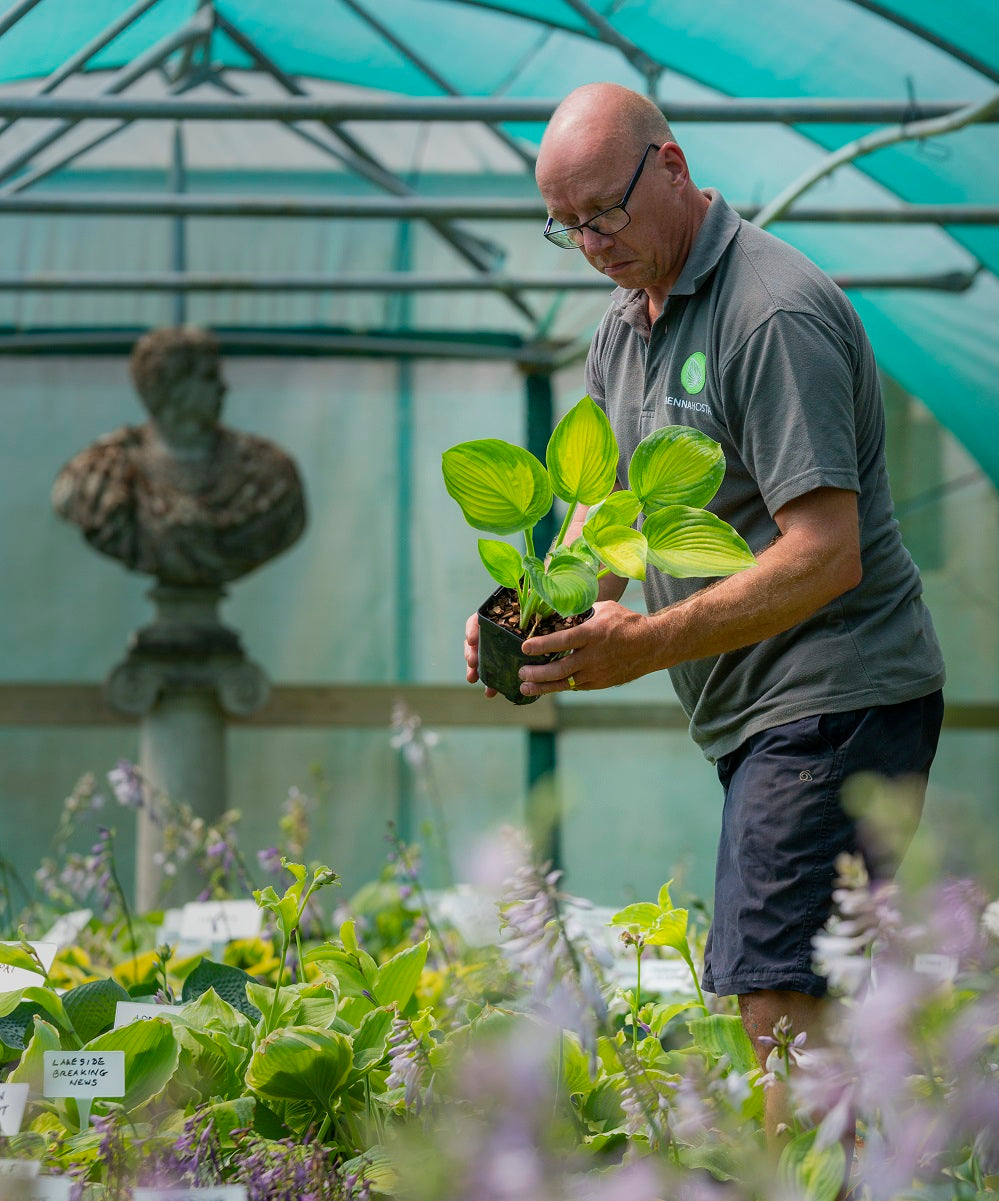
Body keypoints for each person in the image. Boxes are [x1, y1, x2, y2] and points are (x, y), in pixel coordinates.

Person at [463, 82, 945, 1141]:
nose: (591, 241)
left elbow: (827, 555)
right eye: (567, 224)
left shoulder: (768, 310)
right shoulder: (625, 325)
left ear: (671, 169)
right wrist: (533, 618)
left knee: (779, 1004)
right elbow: (607, 523)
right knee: (788, 998)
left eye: (606, 211)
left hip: (834, 698)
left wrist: (639, 646)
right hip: (764, 713)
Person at [53, 326, 306, 587]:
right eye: (209, 377)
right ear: (169, 387)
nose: (224, 387)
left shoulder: (270, 474)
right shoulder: (99, 474)